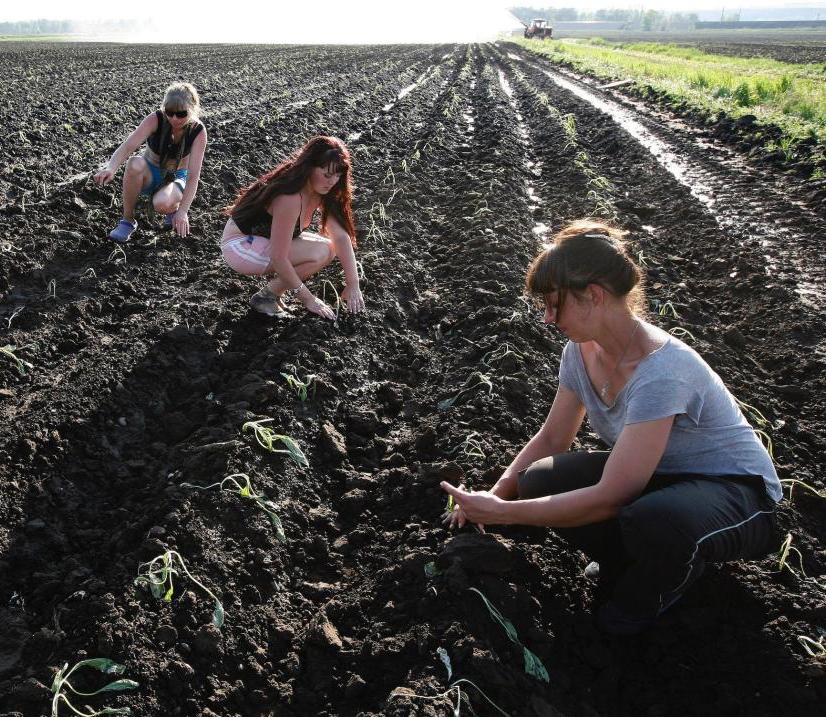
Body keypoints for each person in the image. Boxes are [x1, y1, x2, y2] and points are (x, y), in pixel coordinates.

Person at [441, 219, 781, 635]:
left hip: (738, 495)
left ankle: (661, 588)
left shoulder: (662, 370)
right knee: (537, 481)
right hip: (663, 478)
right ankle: (638, 558)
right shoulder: (579, 352)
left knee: (654, 524)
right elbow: (553, 438)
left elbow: (612, 497)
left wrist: (505, 515)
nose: (547, 319)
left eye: (554, 305)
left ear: (593, 297)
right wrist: (494, 495)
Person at [221, 136, 364, 319]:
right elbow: (278, 257)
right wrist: (308, 299)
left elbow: (341, 237)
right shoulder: (290, 198)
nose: (332, 181)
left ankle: (268, 295)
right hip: (240, 246)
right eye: (327, 175)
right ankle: (266, 298)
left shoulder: (321, 190)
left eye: (338, 176)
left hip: (263, 240)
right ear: (310, 167)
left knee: (328, 248)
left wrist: (353, 283)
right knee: (319, 252)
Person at [94, 81, 207, 242]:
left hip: (175, 178)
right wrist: (110, 168)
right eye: (170, 112)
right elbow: (128, 146)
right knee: (134, 163)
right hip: (150, 174)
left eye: (181, 114)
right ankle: (127, 221)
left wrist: (183, 211)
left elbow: (194, 175)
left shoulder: (198, 131)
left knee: (162, 203)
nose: (174, 118)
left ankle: (171, 209)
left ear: (193, 109)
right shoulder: (156, 119)